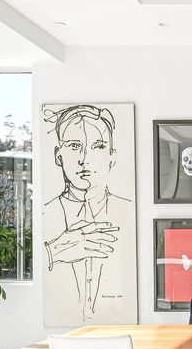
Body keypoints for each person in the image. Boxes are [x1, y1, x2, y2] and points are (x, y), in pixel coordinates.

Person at [43, 105, 132, 321]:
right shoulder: (45, 215)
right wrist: (53, 253)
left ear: (112, 156)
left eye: (98, 146)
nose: (84, 158)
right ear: (58, 155)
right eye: (74, 146)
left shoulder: (129, 213)